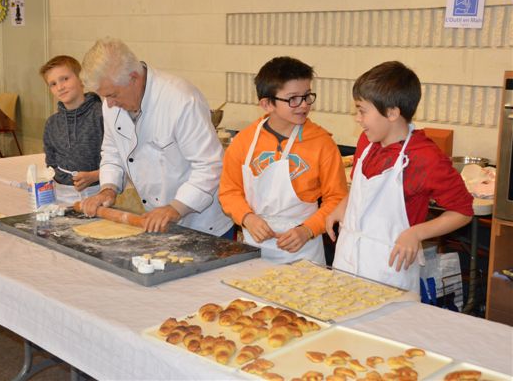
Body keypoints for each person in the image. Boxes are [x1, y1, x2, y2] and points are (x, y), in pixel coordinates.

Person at [326, 61, 473, 291]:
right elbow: (361, 191)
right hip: (347, 261)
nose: (357, 118)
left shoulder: (426, 157)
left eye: (362, 110)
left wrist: (417, 233)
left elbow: (463, 212)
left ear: (392, 112)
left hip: (389, 272)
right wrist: (342, 206)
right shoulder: (367, 142)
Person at [79, 38, 233, 236]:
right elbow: (112, 151)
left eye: (113, 95)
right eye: (104, 96)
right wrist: (108, 188)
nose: (108, 104)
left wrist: (176, 208)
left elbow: (210, 165)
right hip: (157, 219)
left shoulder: (181, 100)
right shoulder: (112, 103)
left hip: (203, 225)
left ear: (133, 77)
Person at [219, 56, 348, 264]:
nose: (303, 105)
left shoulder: (322, 143)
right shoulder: (244, 141)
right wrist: (247, 218)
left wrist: (307, 230)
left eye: (307, 96)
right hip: (254, 245)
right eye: (293, 99)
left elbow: (336, 198)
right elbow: (229, 191)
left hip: (303, 249)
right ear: (267, 104)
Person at [40, 55, 103, 204]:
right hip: (62, 196)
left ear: (81, 79)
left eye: (65, 79)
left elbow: (120, 161)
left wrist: (94, 176)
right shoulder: (52, 123)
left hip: (99, 193)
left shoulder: (102, 115)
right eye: (53, 84)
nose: (60, 87)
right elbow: (51, 163)